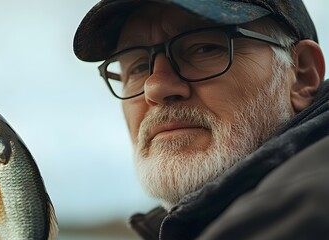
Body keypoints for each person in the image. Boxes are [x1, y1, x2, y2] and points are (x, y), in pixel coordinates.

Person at [73, 0, 328, 239]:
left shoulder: (308, 207)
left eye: (204, 48)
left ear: (302, 74)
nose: (156, 87)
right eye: (138, 67)